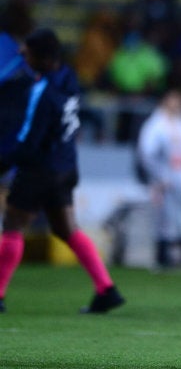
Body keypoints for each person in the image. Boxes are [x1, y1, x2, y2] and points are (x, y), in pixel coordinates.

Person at [0, 29, 125, 314]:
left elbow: (29, 140)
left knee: (12, 225)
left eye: (28, 52)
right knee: (66, 228)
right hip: (66, 166)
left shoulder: (43, 94)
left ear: (43, 58)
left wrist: (4, 163)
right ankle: (106, 289)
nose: (22, 54)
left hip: (39, 169)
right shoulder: (68, 79)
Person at [137, 89, 181, 268]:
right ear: (165, 101)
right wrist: (158, 176)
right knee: (165, 219)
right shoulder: (155, 125)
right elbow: (147, 154)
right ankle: (163, 257)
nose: (178, 104)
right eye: (174, 99)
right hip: (164, 179)